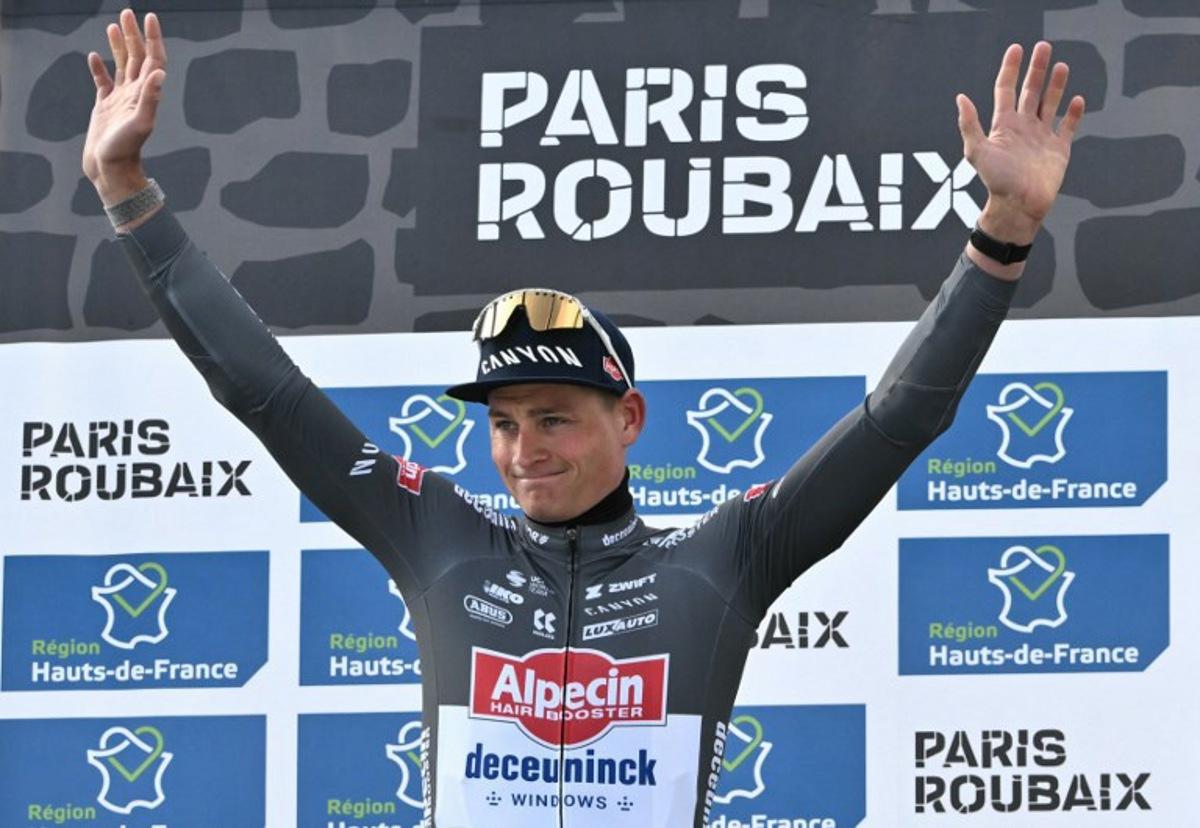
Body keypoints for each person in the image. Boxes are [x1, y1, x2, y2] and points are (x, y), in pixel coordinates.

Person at [82, 10, 1084, 827]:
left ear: (631, 418)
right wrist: (127, 192)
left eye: (554, 418)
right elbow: (263, 388)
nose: (525, 451)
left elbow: (895, 422)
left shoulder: (725, 555)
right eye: (505, 423)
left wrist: (1001, 236)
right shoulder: (435, 534)